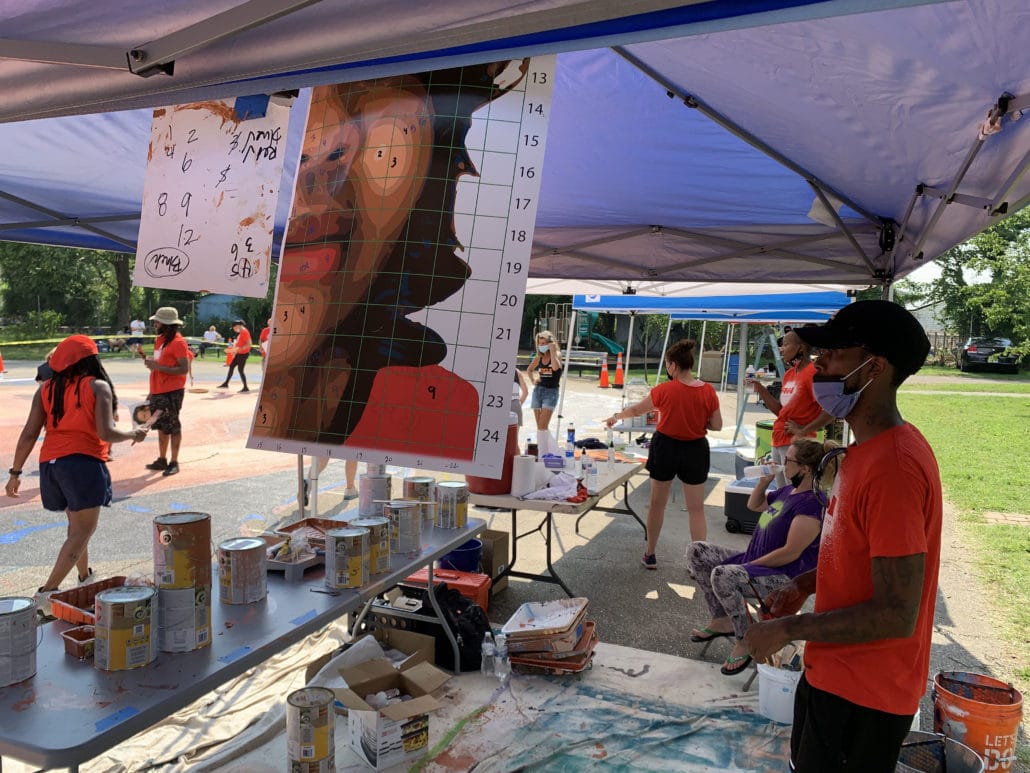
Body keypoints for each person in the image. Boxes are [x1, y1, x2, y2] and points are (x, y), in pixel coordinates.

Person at [253, 61, 525, 459]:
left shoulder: (449, 404)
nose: (310, 187)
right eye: (306, 155)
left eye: (378, 146)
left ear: (427, 188)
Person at [743, 300, 942, 773]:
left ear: (874, 367)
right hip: (834, 673)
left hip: (867, 693)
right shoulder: (860, 451)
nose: (819, 365)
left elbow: (896, 613)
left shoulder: (894, 468)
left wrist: (789, 629)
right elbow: (852, 552)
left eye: (833, 354)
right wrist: (804, 584)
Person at [5, 335, 147, 613]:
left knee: (76, 528)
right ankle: (46, 594)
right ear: (91, 360)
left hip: (51, 465)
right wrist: (134, 433)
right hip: (82, 463)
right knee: (83, 530)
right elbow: (106, 432)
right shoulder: (97, 386)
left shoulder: (46, 389)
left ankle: (84, 576)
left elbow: (29, 433)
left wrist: (15, 472)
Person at [687, 437, 839, 676]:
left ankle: (746, 638)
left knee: (723, 576)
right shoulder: (789, 490)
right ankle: (722, 619)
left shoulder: (813, 503)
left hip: (782, 574)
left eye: (787, 460)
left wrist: (748, 566)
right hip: (756, 561)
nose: (781, 463)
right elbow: (754, 505)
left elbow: (791, 552)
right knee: (697, 551)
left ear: (805, 469)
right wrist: (763, 481)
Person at [604, 339, 722, 568]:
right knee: (696, 509)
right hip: (696, 448)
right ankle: (698, 562)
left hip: (666, 446)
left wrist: (616, 417)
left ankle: (650, 553)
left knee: (657, 504)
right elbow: (717, 425)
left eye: (668, 364)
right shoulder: (708, 391)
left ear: (673, 365)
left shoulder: (663, 390)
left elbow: (637, 409)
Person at [749, 329, 833, 486]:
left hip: (797, 446)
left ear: (801, 348)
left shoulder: (812, 373)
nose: (781, 349)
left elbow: (830, 410)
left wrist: (803, 430)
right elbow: (781, 412)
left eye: (786, 344)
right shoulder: (789, 374)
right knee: (782, 495)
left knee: (794, 493)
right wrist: (759, 387)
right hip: (779, 441)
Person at [143, 306, 191, 476]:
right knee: (162, 426)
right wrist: (153, 369)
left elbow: (184, 369)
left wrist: (158, 367)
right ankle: (162, 459)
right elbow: (159, 367)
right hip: (158, 389)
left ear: (167, 324)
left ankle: (174, 461)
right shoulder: (161, 340)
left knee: (173, 425)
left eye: (157, 321)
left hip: (172, 391)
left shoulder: (178, 342)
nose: (155, 323)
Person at [526, 330, 563, 456]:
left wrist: (552, 351)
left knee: (542, 427)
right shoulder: (539, 356)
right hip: (538, 391)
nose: (541, 345)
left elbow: (555, 368)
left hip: (551, 392)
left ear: (550, 343)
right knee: (541, 428)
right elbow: (529, 370)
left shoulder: (556, 354)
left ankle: (543, 455)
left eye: (544, 343)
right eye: (539, 343)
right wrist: (532, 380)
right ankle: (549, 453)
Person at [218, 319, 252, 392]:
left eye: (234, 328)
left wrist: (238, 350)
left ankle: (245, 387)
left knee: (240, 370)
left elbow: (249, 344)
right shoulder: (241, 332)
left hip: (243, 354)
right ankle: (226, 383)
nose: (234, 330)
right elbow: (239, 343)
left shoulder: (244, 332)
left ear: (237, 326)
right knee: (232, 366)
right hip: (239, 353)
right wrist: (235, 351)